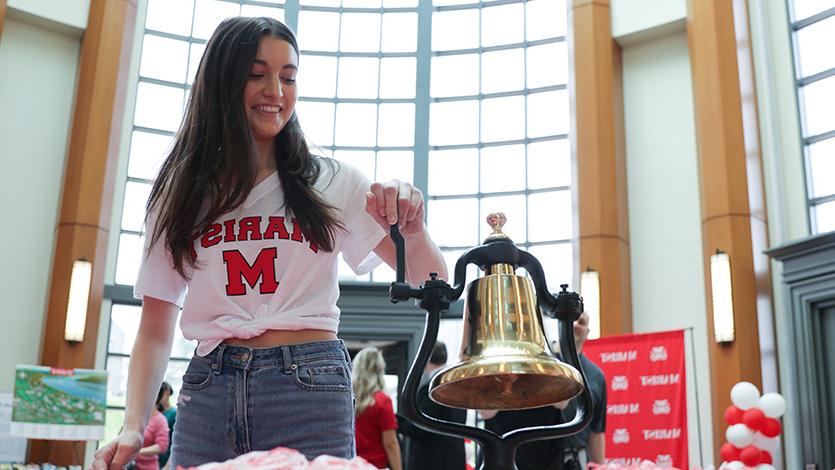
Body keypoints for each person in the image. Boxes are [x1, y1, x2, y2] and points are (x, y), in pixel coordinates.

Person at [92, 16, 446, 470]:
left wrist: (413, 230)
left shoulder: (331, 182)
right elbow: (155, 327)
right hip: (208, 388)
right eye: (257, 74)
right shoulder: (179, 194)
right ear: (222, 80)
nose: (276, 91)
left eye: (288, 77)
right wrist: (133, 425)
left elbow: (429, 281)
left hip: (308, 386)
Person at [478, 312, 602, 470]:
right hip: (504, 456)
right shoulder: (496, 367)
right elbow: (485, 412)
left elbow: (562, 403)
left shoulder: (550, 363)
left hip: (542, 457)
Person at [398, 341, 467, 470]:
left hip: (432, 461)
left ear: (425, 357)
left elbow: (419, 428)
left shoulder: (431, 389)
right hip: (454, 459)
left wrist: (397, 421)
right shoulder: (457, 386)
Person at [558, 311, 606, 469]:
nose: (575, 325)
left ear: (587, 332)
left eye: (582, 322)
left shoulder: (596, 375)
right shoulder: (544, 368)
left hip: (576, 460)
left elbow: (596, 431)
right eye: (570, 319)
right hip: (539, 458)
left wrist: (599, 466)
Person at [352, 347, 402, 470]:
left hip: (351, 465)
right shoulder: (382, 401)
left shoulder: (347, 400)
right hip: (375, 466)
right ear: (380, 369)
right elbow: (390, 443)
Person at [132, 405, 169, 470]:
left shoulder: (160, 419)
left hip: (148, 466)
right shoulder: (135, 416)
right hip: (131, 465)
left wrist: (138, 452)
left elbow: (162, 446)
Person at [155, 382, 176, 469]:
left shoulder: (174, 413)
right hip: (154, 459)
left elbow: (175, 441)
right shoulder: (156, 413)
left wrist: (167, 466)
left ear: (167, 392)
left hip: (165, 459)